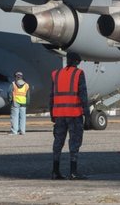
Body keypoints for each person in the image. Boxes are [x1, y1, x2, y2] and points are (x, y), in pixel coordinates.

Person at [50, 52, 90, 180]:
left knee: (58, 143)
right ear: (77, 62)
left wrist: (52, 113)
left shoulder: (56, 74)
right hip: (74, 114)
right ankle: (73, 172)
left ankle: (55, 171)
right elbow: (83, 94)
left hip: (59, 114)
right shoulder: (79, 73)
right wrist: (87, 115)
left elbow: (51, 96)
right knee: (74, 143)